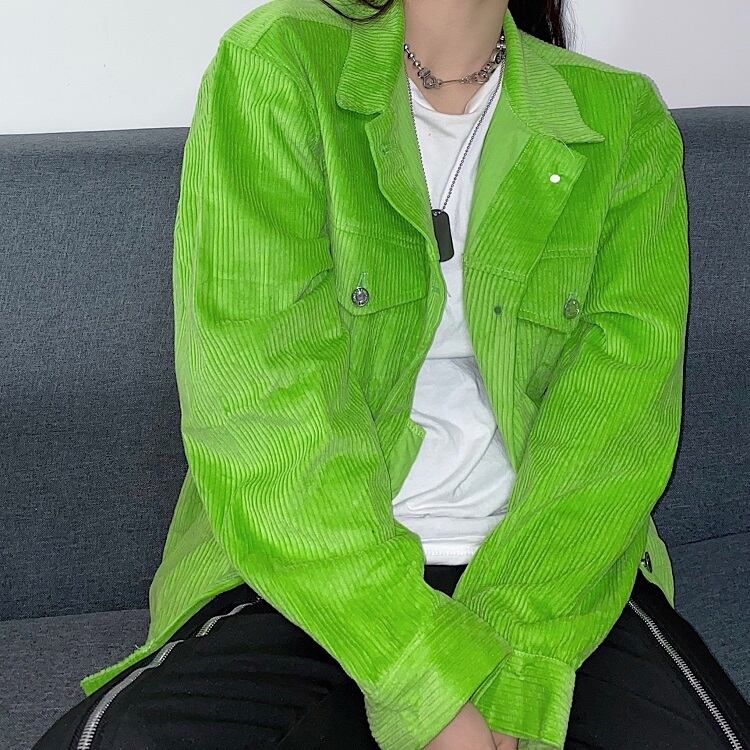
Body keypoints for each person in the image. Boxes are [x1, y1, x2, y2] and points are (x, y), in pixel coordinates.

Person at [33, 0, 750, 748]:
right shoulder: (279, 65)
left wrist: (515, 665)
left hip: (554, 581)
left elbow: (616, 431)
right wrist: (426, 683)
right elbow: (261, 412)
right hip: (312, 577)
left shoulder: (620, 119)